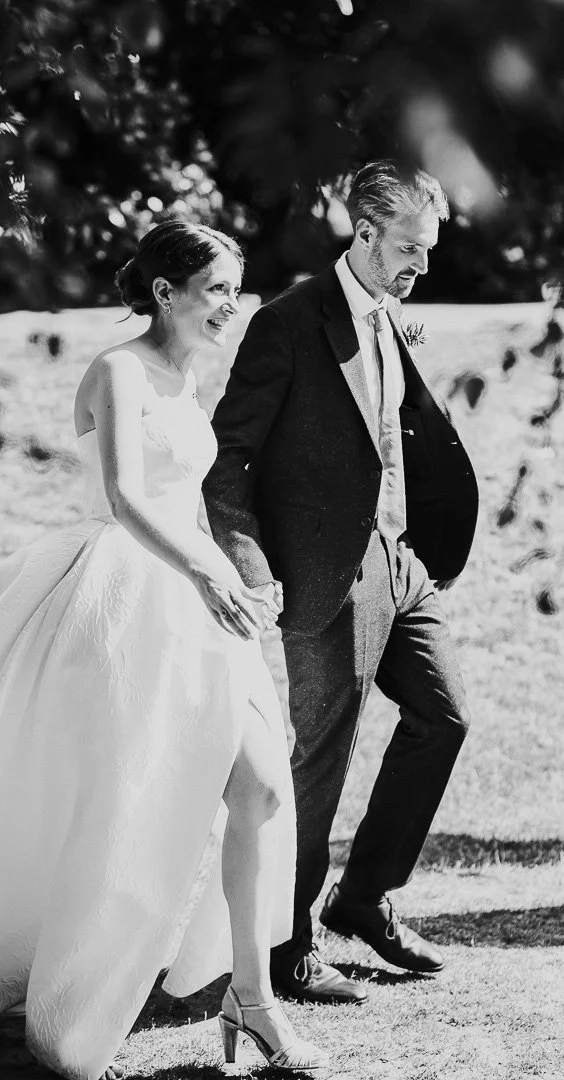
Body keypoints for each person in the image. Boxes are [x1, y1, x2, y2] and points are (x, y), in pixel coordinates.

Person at [0, 221, 328, 1079]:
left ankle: (249, 999)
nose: (233, 304)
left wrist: (233, 582)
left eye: (237, 287)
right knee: (127, 803)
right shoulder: (118, 370)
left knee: (258, 788)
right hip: (125, 597)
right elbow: (123, 497)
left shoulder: (189, 376)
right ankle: (75, 1008)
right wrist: (204, 575)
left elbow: (189, 505)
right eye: (219, 288)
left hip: (197, 594)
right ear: (164, 292)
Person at [203, 161, 479, 1005]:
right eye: (407, 249)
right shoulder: (289, 323)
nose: (420, 267)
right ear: (362, 234)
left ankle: (362, 900)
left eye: (427, 250)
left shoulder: (392, 316)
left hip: (401, 564)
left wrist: (420, 544)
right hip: (325, 572)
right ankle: (286, 948)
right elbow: (228, 460)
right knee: (320, 758)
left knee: (445, 717)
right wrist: (254, 570)